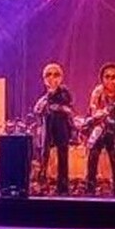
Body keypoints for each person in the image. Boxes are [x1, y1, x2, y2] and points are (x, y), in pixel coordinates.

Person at [86, 63, 115, 195]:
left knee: (114, 157)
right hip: (100, 129)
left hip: (114, 131)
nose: (110, 80)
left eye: (114, 77)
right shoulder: (98, 92)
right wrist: (99, 114)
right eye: (107, 77)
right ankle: (90, 185)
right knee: (93, 154)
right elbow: (93, 109)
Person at [32, 63, 74, 195]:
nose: (52, 78)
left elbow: (68, 107)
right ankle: (42, 183)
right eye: (48, 75)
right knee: (44, 154)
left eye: (56, 75)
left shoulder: (64, 92)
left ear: (61, 77)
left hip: (61, 127)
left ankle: (63, 186)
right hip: (47, 125)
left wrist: (57, 106)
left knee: (63, 155)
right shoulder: (43, 94)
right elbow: (37, 110)